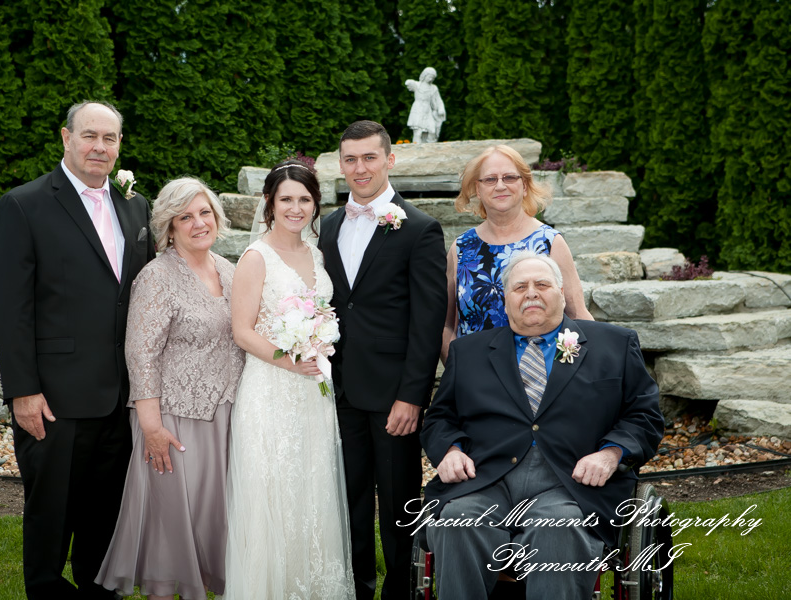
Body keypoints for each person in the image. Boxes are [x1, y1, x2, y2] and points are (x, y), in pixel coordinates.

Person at [421, 252, 664, 600]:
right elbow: (440, 418)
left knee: (557, 529)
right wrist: (450, 450)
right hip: (487, 479)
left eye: (542, 284)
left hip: (570, 484)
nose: (531, 293)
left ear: (562, 294)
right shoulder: (468, 352)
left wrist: (610, 454)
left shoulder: (614, 344)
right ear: (505, 300)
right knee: (458, 520)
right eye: (520, 287)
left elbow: (645, 415)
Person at [0, 100, 156, 599]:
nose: (100, 147)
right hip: (56, 398)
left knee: (106, 511)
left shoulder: (136, 206)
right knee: (51, 512)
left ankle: (100, 590)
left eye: (110, 138)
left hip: (119, 394)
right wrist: (23, 391)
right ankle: (44, 589)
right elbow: (9, 307)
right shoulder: (25, 204)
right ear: (66, 137)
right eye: (90, 136)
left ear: (120, 145)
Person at [95, 178, 245, 599]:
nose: (199, 223)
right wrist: (151, 426)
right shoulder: (157, 277)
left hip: (229, 416)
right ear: (170, 227)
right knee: (174, 522)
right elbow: (141, 354)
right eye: (186, 217)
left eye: (205, 213)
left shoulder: (231, 271)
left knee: (214, 516)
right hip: (175, 421)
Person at [318, 121, 447, 600]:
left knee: (398, 503)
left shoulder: (419, 229)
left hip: (394, 394)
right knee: (348, 500)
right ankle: (355, 588)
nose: (359, 168)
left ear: (390, 160)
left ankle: (402, 591)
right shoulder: (328, 226)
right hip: (339, 389)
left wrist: (412, 395)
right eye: (350, 159)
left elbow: (427, 322)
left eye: (369, 158)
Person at [224, 160, 355, 599]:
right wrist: (288, 358)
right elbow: (241, 330)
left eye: (305, 199)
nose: (296, 208)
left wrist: (317, 346)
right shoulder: (256, 257)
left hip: (311, 392)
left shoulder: (316, 255)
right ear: (270, 203)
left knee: (311, 493)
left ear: (315, 204)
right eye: (286, 199)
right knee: (273, 498)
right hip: (270, 389)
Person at [442, 144, 593, 363]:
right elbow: (447, 324)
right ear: (478, 188)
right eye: (490, 179)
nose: (500, 185)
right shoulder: (461, 249)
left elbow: (578, 315)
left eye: (510, 178)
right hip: (478, 381)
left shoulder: (550, 242)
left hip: (542, 377)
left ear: (524, 186)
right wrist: (459, 372)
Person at [405, 67, 446, 143]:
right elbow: (408, 82)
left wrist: (441, 109)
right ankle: (416, 150)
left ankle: (429, 149)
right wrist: (411, 83)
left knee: (432, 131)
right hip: (418, 109)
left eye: (433, 78)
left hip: (428, 111)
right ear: (424, 75)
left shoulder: (433, 88)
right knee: (418, 132)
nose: (431, 79)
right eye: (429, 76)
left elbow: (438, 100)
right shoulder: (417, 85)